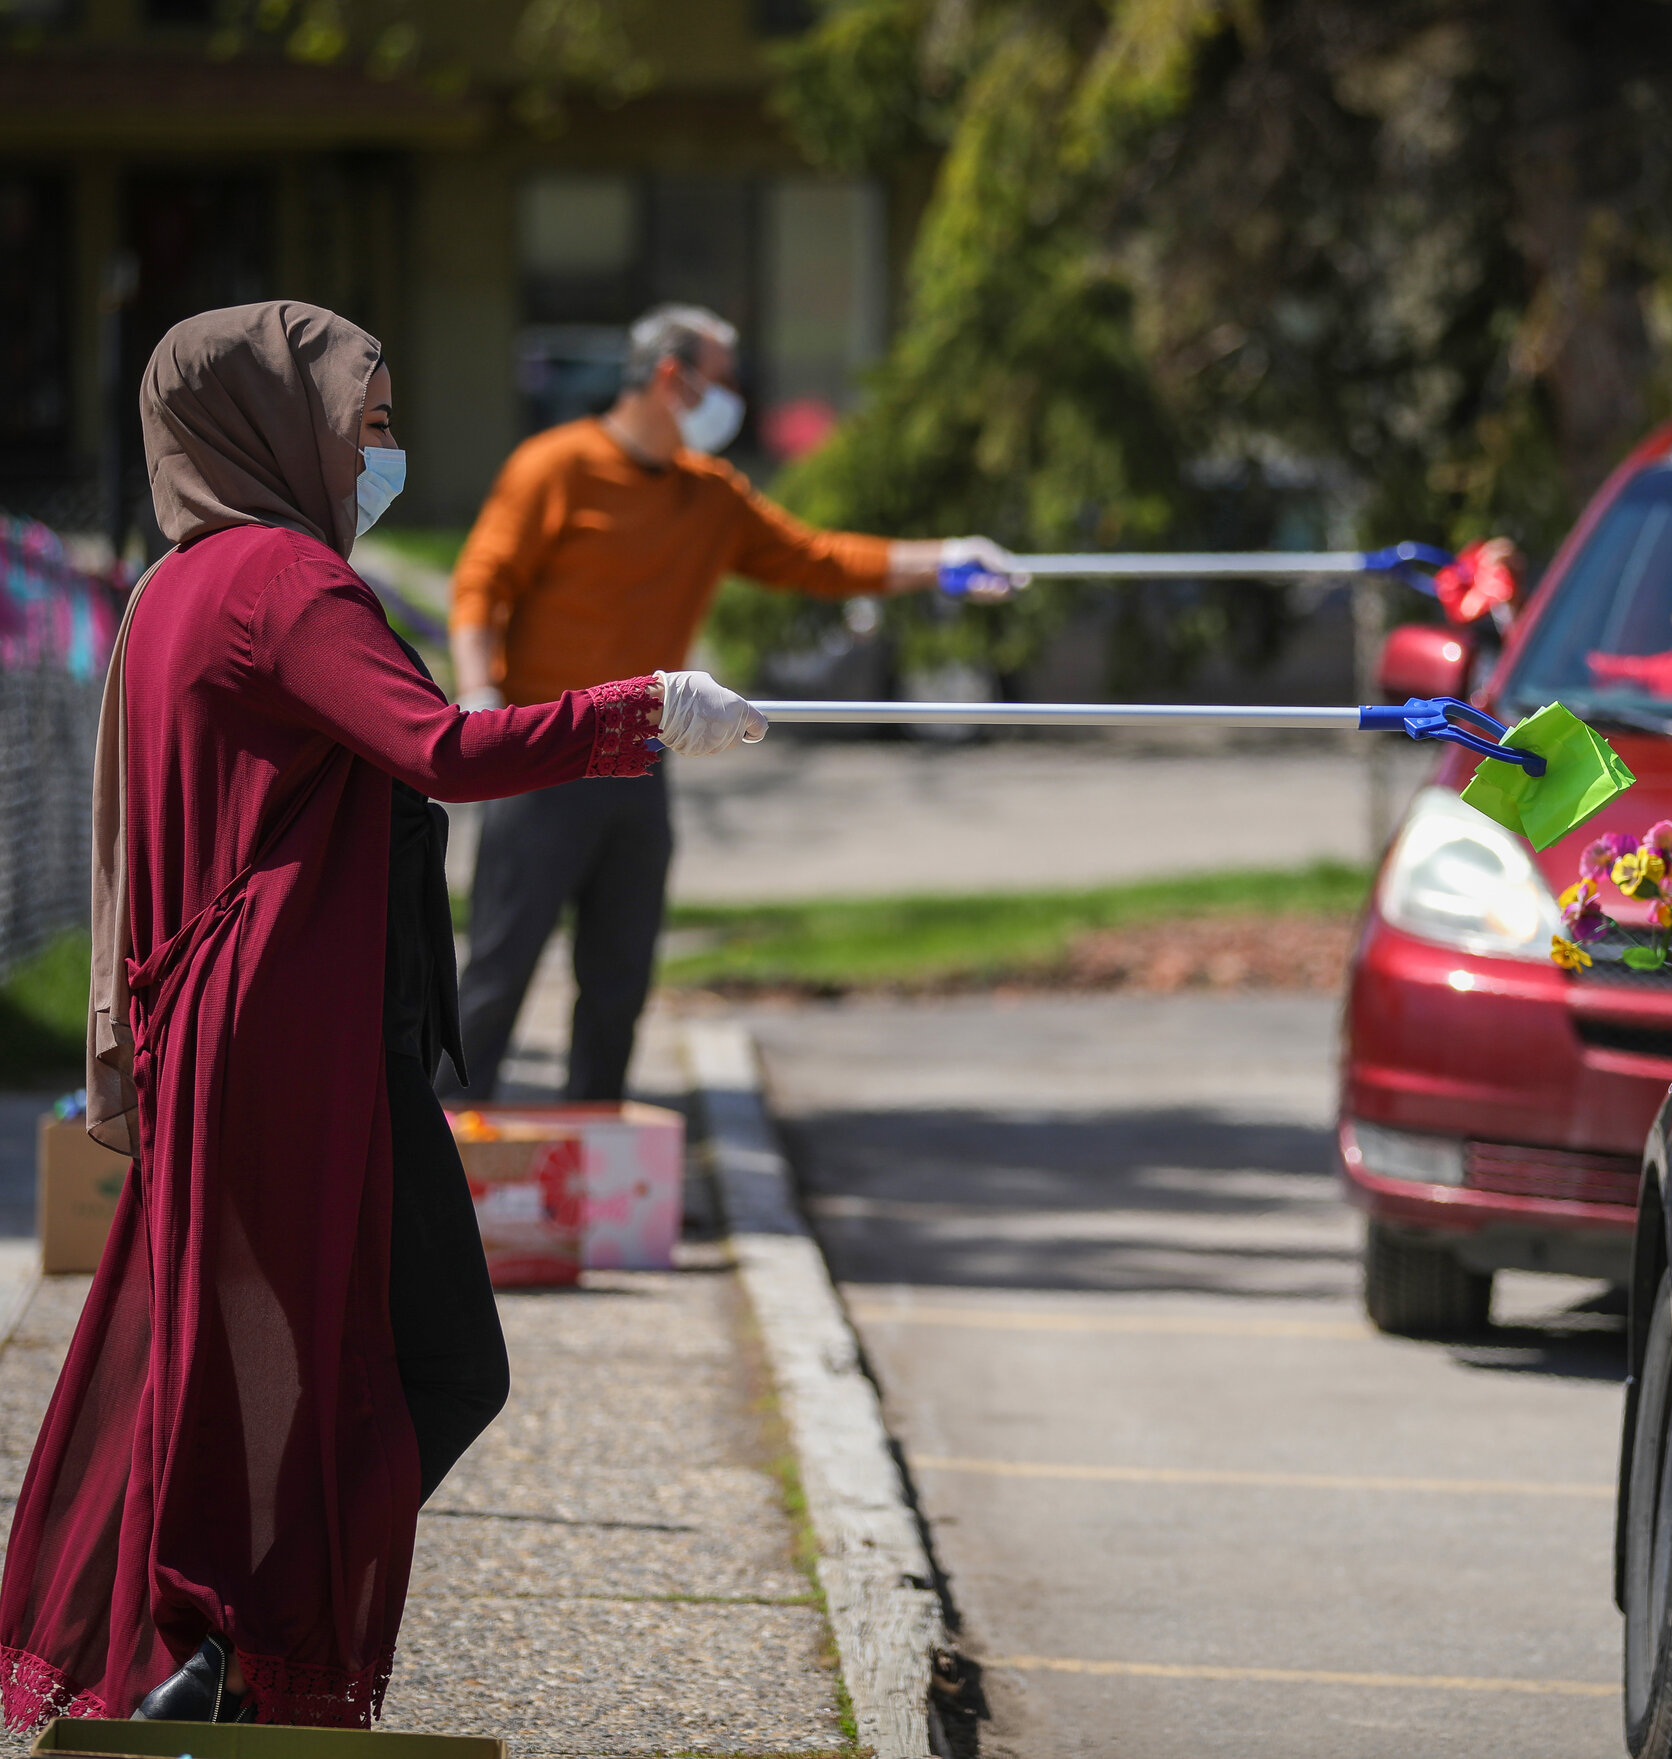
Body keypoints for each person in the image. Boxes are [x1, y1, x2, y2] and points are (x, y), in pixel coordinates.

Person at [0, 301, 770, 1728]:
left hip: (243, 1022)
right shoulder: (283, 582)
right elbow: (442, 748)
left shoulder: (174, 586)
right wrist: (641, 709)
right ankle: (235, 1633)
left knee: (260, 1349)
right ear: (276, 422)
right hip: (293, 1022)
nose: (388, 451)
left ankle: (214, 1648)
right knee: (395, 1357)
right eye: (371, 421)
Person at [440, 303, 1018, 1103]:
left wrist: (944, 561)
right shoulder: (556, 466)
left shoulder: (709, 496)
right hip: (543, 754)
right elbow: (480, 588)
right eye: (724, 379)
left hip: (638, 760)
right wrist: (479, 701)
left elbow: (816, 558)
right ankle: (437, 1164)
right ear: (671, 377)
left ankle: (591, 1172)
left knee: (619, 981)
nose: (735, 398)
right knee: (498, 975)